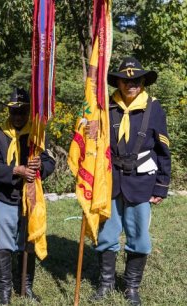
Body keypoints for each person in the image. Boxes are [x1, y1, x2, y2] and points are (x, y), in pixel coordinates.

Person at [91, 57, 171, 306]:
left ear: (143, 82)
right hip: (111, 180)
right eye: (125, 81)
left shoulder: (153, 107)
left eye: (135, 80)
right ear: (118, 82)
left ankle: (132, 287)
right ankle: (106, 284)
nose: (131, 85)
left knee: (139, 237)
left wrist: (161, 185)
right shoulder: (107, 108)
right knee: (107, 234)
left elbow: (163, 149)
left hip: (142, 181)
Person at [0, 88, 55, 305]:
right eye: (14, 111)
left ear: (29, 112)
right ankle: (5, 291)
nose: (18, 116)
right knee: (4, 244)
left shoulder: (37, 135)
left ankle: (26, 287)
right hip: (4, 196)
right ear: (8, 111)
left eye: (23, 111)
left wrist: (40, 166)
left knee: (28, 242)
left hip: (30, 197)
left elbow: (51, 162)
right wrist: (17, 170)